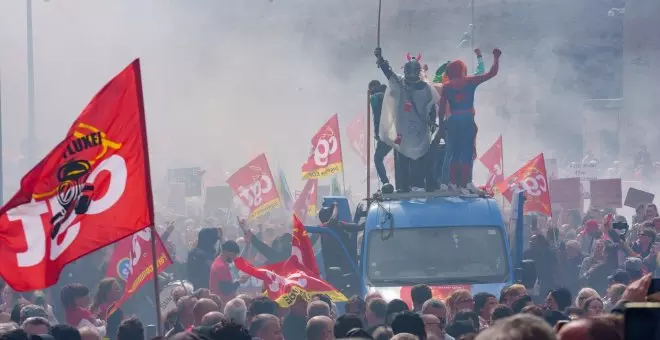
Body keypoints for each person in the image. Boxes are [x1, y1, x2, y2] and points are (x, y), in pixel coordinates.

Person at [374, 47, 440, 192]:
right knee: (405, 158)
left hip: (415, 132)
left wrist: (431, 121)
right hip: (406, 132)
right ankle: (406, 186)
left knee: (412, 158)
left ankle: (411, 186)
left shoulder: (424, 88)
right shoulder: (402, 83)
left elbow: (432, 107)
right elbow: (388, 72)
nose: (410, 74)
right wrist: (380, 59)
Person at [438, 49, 501, 192]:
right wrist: (496, 58)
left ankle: (452, 183)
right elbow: (492, 73)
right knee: (467, 152)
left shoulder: (446, 87)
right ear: (462, 70)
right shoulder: (470, 81)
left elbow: (441, 109)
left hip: (453, 121)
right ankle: (466, 183)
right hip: (467, 120)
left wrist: (442, 126)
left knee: (453, 152)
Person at [369, 80, 394, 192]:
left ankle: (385, 183)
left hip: (385, 132)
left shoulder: (375, 97)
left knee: (377, 158)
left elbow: (376, 118)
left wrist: (376, 133)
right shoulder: (389, 94)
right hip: (397, 131)